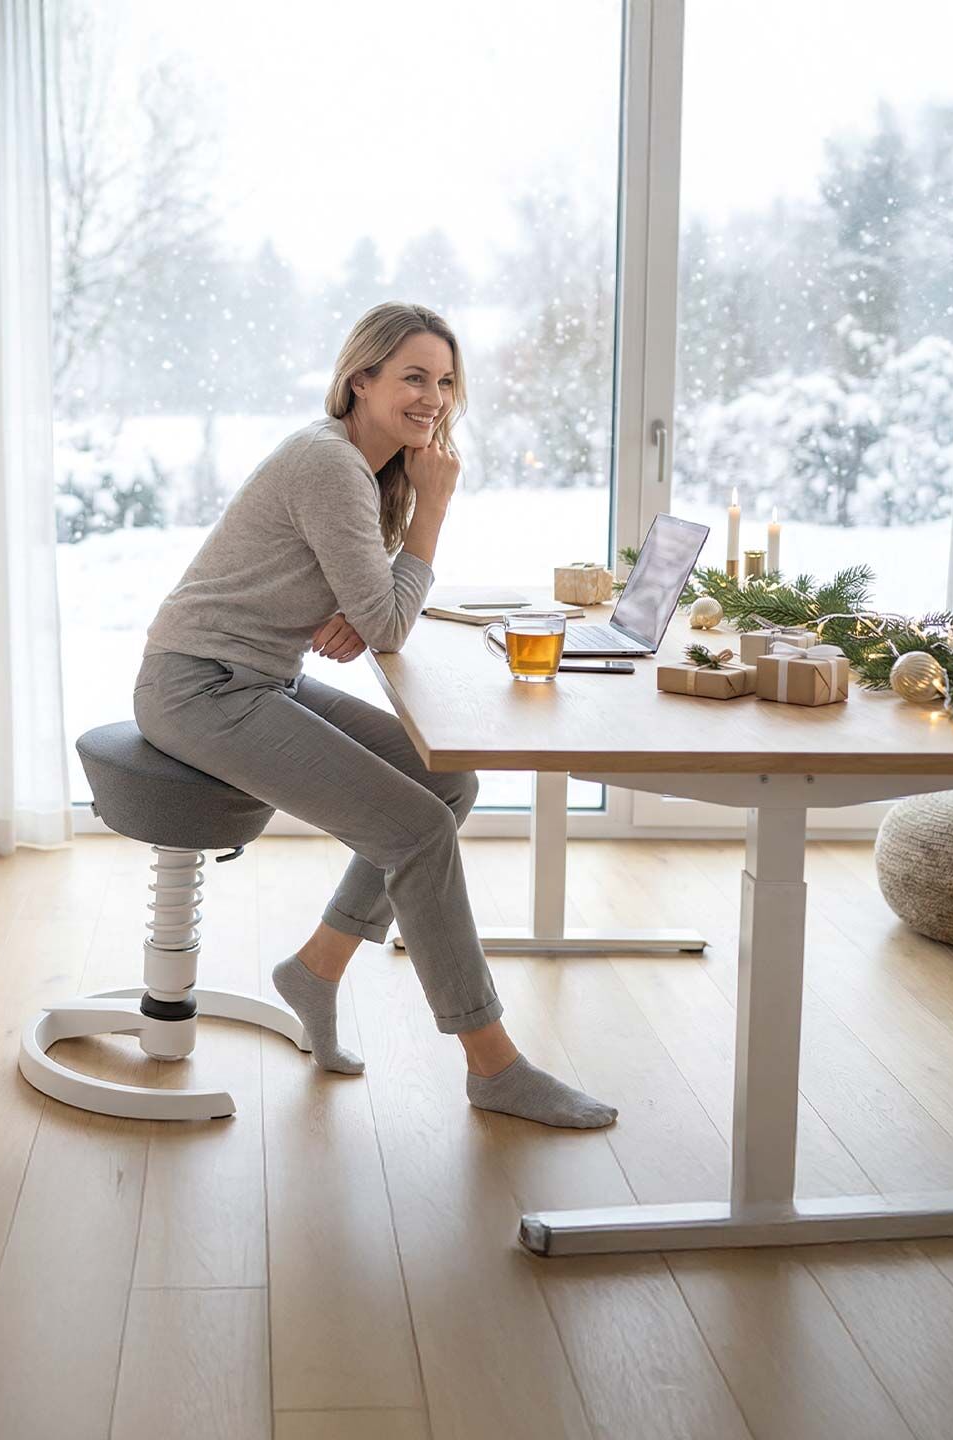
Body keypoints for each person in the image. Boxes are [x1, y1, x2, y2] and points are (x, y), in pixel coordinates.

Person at [133, 302, 616, 1129]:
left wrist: (366, 601)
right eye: (414, 377)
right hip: (201, 687)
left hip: (256, 677)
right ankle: (493, 1065)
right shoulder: (331, 465)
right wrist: (428, 518)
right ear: (360, 379)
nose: (434, 397)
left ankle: (317, 969)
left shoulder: (361, 469)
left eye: (446, 381)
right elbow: (389, 619)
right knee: (418, 830)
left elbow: (375, 612)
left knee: (447, 781)